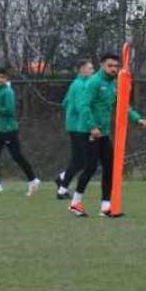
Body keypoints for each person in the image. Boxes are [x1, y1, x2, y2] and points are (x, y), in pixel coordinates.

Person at [69, 53, 146, 217]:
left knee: (110, 168)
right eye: (110, 66)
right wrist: (91, 127)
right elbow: (83, 106)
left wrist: (137, 118)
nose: (114, 69)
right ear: (102, 65)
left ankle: (106, 207)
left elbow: (122, 105)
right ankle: (75, 203)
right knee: (90, 167)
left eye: (115, 66)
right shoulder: (94, 82)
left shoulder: (113, 83)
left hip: (103, 133)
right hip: (88, 132)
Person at [0, 67, 41, 196]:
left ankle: (33, 180)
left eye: (2, 77)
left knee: (17, 156)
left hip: (8, 131)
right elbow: (2, 111)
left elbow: (9, 110)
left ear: (6, 78)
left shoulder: (8, 92)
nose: (0, 79)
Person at [55, 59, 95, 200]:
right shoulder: (79, 85)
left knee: (80, 160)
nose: (92, 71)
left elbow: (65, 102)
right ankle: (62, 189)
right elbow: (80, 107)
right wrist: (90, 124)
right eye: (90, 68)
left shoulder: (79, 84)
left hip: (76, 125)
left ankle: (62, 180)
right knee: (80, 161)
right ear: (82, 70)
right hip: (77, 127)